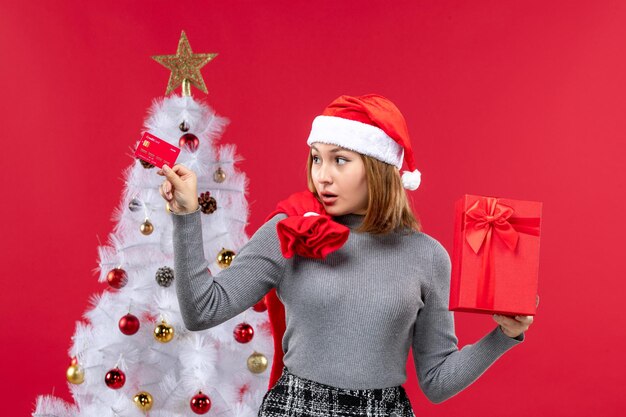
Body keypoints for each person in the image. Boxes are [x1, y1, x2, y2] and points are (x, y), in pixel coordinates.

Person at [157, 94, 535, 417]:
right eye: (317, 159)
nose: (322, 175)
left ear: (378, 169)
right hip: (297, 407)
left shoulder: (427, 256)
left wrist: (505, 335)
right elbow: (202, 310)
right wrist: (186, 216)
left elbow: (436, 381)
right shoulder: (290, 231)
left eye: (339, 160)